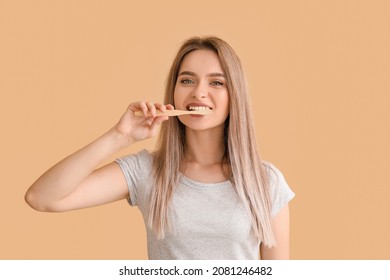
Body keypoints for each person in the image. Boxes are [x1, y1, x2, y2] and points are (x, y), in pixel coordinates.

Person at [25, 36, 295, 260]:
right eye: (187, 80)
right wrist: (120, 136)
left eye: (216, 82)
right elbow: (42, 198)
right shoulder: (147, 171)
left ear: (235, 95)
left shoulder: (266, 182)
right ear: (174, 91)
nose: (199, 93)